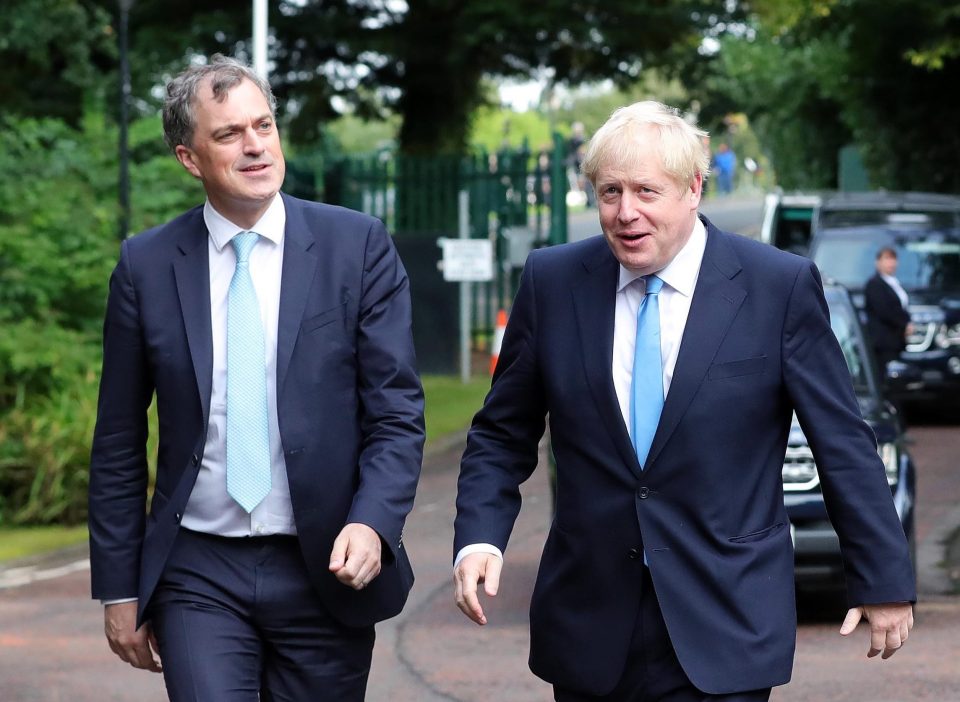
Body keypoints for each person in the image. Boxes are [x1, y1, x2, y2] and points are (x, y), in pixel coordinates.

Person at [453, 101, 914, 701]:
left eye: (647, 191)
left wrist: (881, 576)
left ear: (694, 187)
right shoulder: (553, 281)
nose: (626, 213)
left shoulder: (776, 286)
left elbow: (842, 440)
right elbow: (501, 432)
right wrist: (479, 537)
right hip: (591, 624)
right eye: (610, 192)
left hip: (726, 618)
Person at [88, 54, 425, 701]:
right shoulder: (147, 265)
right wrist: (120, 587)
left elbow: (396, 413)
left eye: (263, 126)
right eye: (229, 134)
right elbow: (119, 440)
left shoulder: (356, 247)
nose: (254, 147)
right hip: (198, 569)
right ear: (190, 158)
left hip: (325, 563)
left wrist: (372, 522)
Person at [865, 246, 913, 369]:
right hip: (883, 342)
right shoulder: (874, 284)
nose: (891, 263)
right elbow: (885, 310)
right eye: (887, 259)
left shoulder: (894, 283)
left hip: (896, 340)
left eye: (893, 259)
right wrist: (905, 323)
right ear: (878, 262)